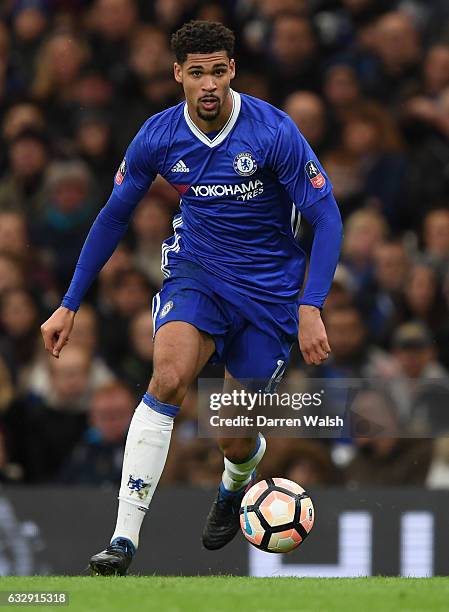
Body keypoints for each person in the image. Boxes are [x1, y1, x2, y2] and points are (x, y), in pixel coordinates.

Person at [40, 21, 342, 576]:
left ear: (233, 71)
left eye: (218, 71)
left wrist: (311, 305)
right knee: (168, 379)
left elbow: (326, 216)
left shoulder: (273, 131)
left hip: (270, 295)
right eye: (196, 72)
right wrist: (70, 302)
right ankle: (123, 538)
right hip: (196, 274)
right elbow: (113, 216)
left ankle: (234, 483)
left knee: (230, 433)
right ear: (178, 73)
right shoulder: (157, 136)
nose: (208, 83)